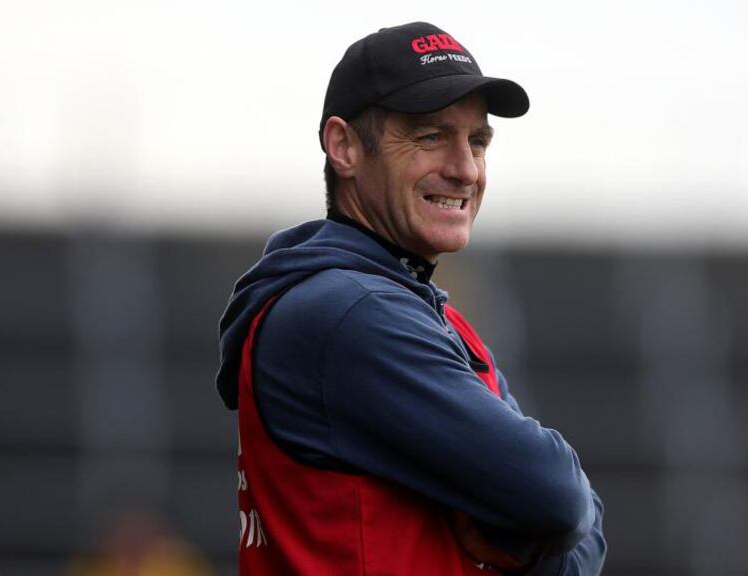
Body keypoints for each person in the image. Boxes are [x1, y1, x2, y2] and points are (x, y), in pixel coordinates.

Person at [216, 21, 605, 575]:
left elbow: (582, 530)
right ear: (344, 146)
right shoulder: (349, 312)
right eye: (429, 137)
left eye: (477, 142)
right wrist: (524, 539)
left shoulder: (429, 316)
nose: (464, 169)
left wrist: (529, 542)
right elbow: (560, 499)